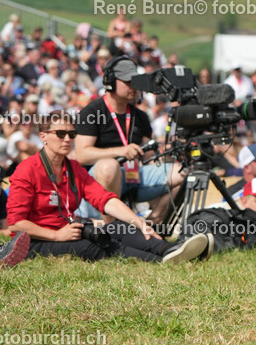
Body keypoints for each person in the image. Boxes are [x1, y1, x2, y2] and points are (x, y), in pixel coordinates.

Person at [6, 110, 211, 263]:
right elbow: (16, 224)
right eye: (60, 134)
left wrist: (138, 222)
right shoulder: (27, 170)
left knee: (118, 227)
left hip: (70, 229)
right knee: (91, 246)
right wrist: (56, 235)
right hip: (35, 241)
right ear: (43, 137)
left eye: (72, 134)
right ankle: (160, 261)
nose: (68, 139)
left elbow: (105, 199)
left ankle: (171, 249)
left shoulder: (73, 168)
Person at [74, 56, 187, 224]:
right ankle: (112, 230)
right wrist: (120, 151)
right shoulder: (91, 112)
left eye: (136, 81)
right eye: (128, 81)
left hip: (132, 177)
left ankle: (153, 226)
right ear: (110, 82)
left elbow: (148, 157)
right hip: (97, 184)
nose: (133, 86)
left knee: (181, 173)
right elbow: (82, 155)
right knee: (109, 166)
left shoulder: (140, 116)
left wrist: (167, 153)